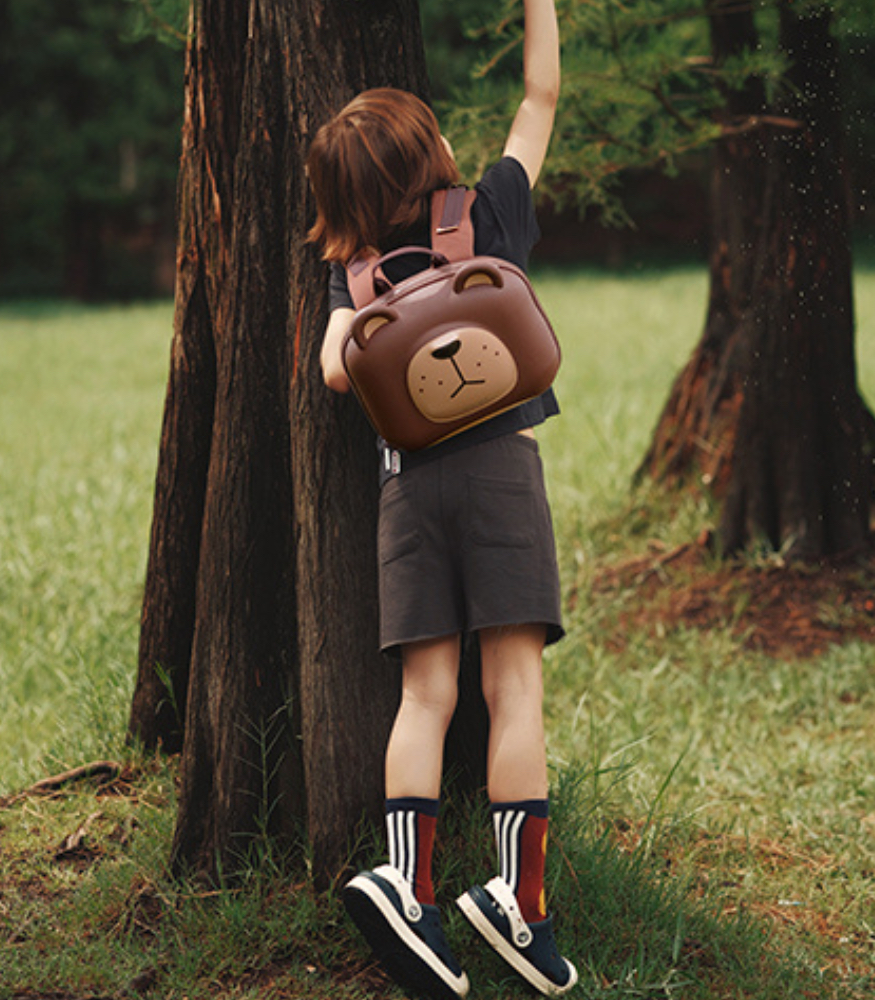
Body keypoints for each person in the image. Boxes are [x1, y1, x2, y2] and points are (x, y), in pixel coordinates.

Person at [306, 2, 577, 997]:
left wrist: (359, 309)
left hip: (407, 491)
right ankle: (518, 901)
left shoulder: (356, 269)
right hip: (502, 473)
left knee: (425, 692)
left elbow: (337, 375)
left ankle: (411, 889)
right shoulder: (489, 211)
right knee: (515, 689)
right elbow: (538, 96)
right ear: (434, 154)